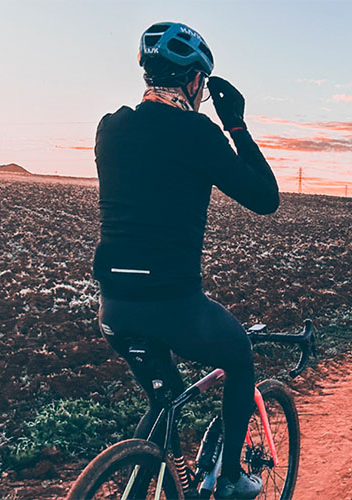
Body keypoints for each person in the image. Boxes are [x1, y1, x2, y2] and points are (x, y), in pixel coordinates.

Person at [92, 22, 278, 499]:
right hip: (172, 304)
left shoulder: (110, 127)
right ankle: (233, 478)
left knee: (164, 398)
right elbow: (265, 197)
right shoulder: (200, 133)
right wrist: (235, 122)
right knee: (239, 356)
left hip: (114, 307)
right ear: (197, 82)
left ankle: (151, 481)